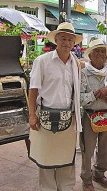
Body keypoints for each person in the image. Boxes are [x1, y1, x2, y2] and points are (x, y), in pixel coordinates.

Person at [28, 22, 83, 191]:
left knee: (67, 156)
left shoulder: (76, 63)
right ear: (56, 40)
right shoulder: (42, 61)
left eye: (70, 39)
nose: (66, 42)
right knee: (46, 157)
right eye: (63, 39)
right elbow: (33, 89)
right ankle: (48, 188)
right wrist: (32, 115)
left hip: (69, 116)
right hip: (45, 115)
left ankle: (66, 187)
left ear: (74, 43)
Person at [80, 39, 107, 191]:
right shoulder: (84, 73)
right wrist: (95, 94)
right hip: (90, 116)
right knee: (88, 149)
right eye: (96, 51)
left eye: (103, 51)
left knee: (105, 149)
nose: (100, 54)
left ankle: (99, 173)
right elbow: (79, 98)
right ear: (90, 55)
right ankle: (86, 178)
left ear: (106, 55)